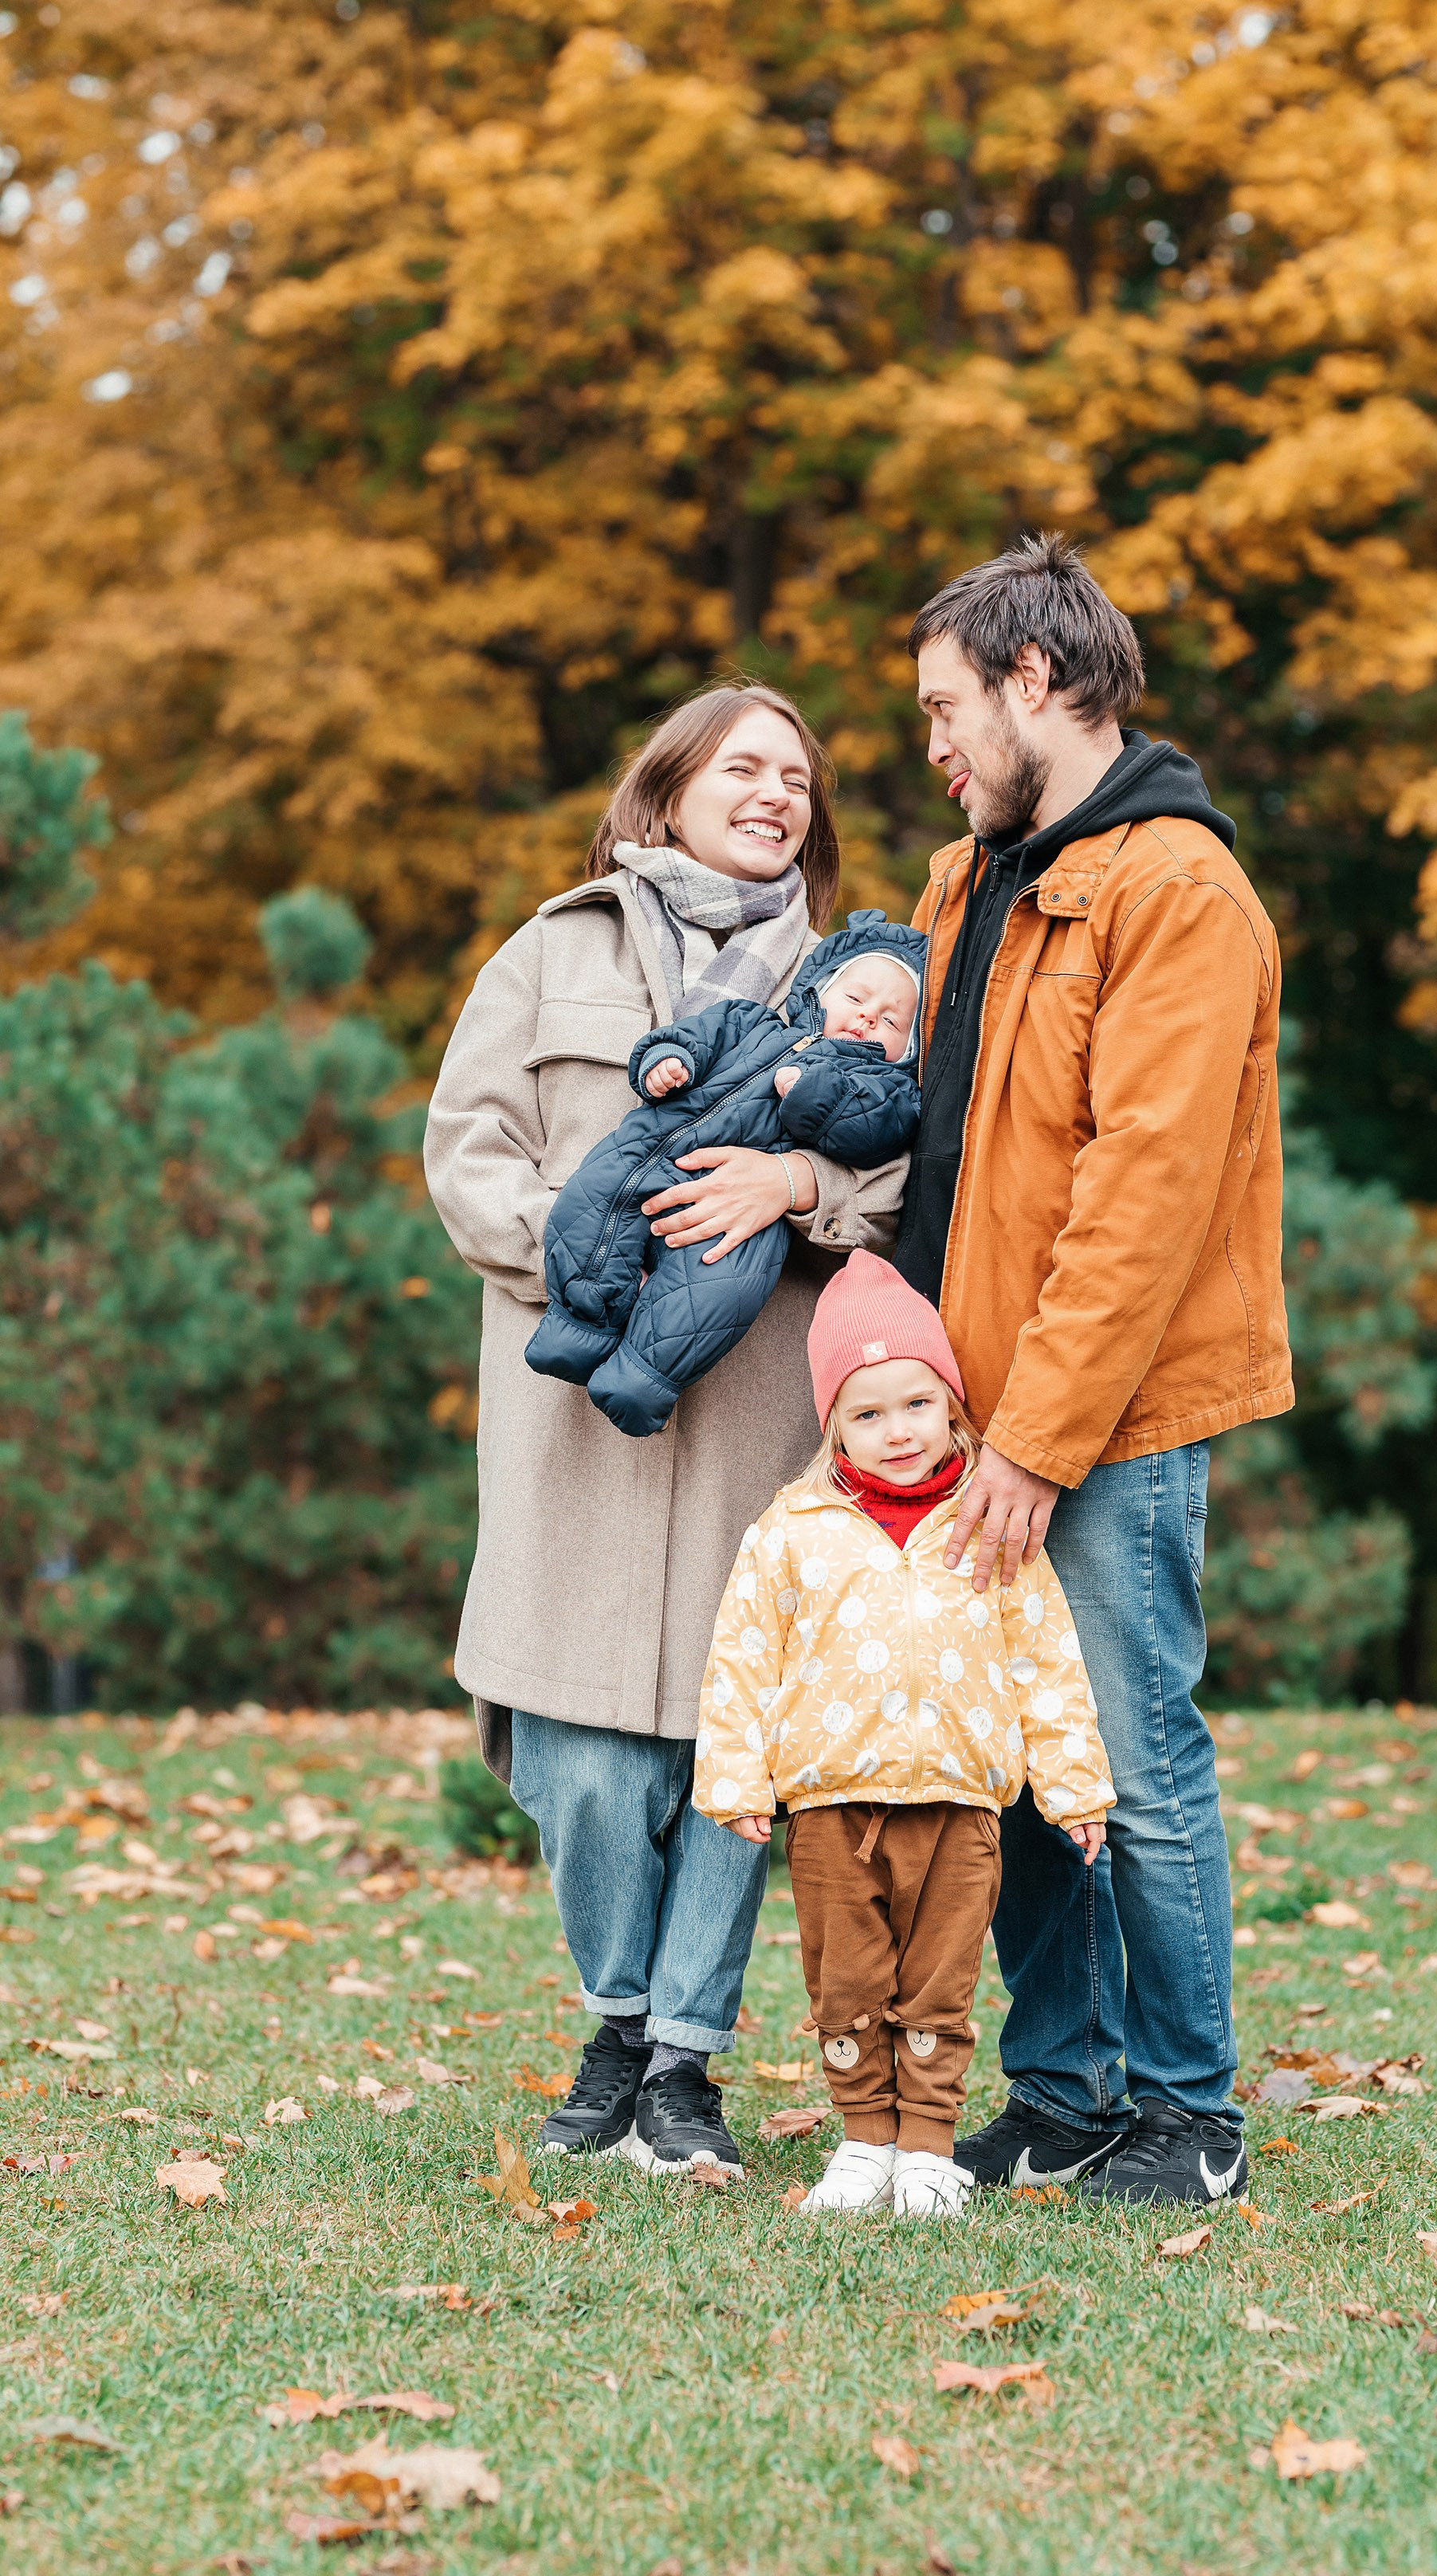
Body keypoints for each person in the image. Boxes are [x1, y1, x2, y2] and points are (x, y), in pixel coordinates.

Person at [424, 683, 907, 2181]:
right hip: (575, 1412)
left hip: (759, 1417)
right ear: (668, 789)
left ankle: (682, 2065)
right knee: (580, 1760)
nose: (779, 792)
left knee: (730, 1755)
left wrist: (796, 1194)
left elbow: (910, 1170)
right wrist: (595, 1254)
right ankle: (616, 2021)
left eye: (800, 777)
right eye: (747, 767)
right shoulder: (548, 950)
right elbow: (468, 1147)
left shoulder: (858, 981)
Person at [893, 532, 1292, 2208]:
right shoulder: (964, 877)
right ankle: (1059, 2091)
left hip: (1101, 1426)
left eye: (942, 706)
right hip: (958, 1408)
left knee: (1126, 1759)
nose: (930, 744)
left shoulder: (1175, 893)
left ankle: (1187, 2115)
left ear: (1031, 682)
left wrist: (1039, 1442)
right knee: (1005, 1766)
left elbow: (1139, 1201)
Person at [693, 1253, 1114, 2217]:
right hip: (833, 1805)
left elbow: (1045, 1660)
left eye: (917, 1404)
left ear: (953, 1407)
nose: (896, 1431)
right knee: (847, 1984)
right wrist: (735, 1778)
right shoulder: (793, 1528)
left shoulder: (990, 1526)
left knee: (937, 1989)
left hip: (960, 1807)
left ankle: (927, 2147)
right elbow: (742, 1655)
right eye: (867, 1413)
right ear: (832, 1422)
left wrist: (1075, 1787)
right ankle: (863, 2138)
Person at [525, 912, 925, 1435]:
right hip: (651, 1155)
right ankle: (577, 1327)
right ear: (820, 990)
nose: (869, 1016)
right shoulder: (749, 1021)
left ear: (911, 1048)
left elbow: (874, 1132)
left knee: (718, 1292)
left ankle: (643, 1378)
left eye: (893, 1020)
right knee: (593, 1205)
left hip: (744, 1224)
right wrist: (666, 1061)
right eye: (855, 998)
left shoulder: (884, 1087)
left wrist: (814, 1094)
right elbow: (689, 1038)